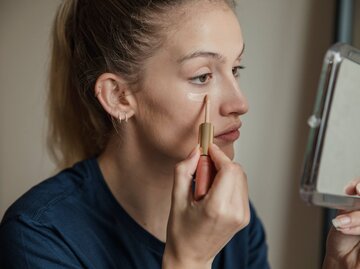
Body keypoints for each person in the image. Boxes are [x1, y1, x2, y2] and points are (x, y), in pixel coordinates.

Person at [0, 0, 359, 268]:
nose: (240, 102)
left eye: (236, 68)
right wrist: (189, 259)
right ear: (118, 96)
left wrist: (338, 264)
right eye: (202, 76)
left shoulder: (232, 218)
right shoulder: (38, 237)